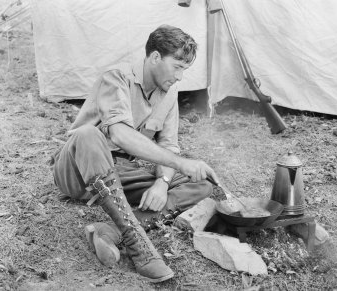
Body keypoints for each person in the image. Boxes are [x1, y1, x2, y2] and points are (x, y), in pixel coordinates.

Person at [51, 25, 220, 283]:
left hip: (117, 173)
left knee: (201, 183)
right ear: (154, 58)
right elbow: (118, 134)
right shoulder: (116, 78)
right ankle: (135, 240)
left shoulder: (169, 93)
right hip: (77, 168)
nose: (180, 77)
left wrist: (162, 184)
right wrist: (180, 163)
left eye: (184, 69)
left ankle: (110, 231)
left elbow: (169, 146)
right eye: (177, 66)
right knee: (88, 134)